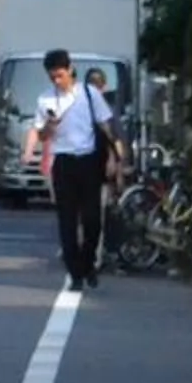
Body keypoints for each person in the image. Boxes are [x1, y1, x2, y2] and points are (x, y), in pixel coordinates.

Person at [29, 49, 125, 290]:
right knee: (67, 221)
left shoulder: (90, 94)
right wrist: (50, 127)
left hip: (89, 160)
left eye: (60, 75)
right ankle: (76, 274)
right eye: (52, 77)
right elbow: (41, 134)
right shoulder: (45, 100)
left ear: (70, 69)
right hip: (63, 161)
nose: (57, 81)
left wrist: (115, 156)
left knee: (93, 220)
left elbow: (105, 126)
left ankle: (88, 262)